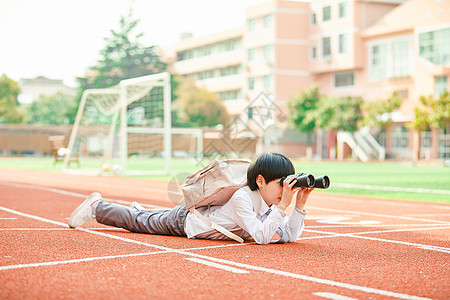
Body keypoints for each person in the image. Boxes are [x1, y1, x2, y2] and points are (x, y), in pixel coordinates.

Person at [68, 153, 314, 245]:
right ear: (260, 181)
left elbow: (287, 236)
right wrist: (283, 207)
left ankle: (141, 210)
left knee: (146, 216)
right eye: (280, 183)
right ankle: (97, 207)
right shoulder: (243, 197)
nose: (285, 189)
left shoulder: (269, 203)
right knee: (137, 221)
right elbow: (262, 237)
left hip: (193, 221)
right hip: (184, 222)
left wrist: (298, 207)